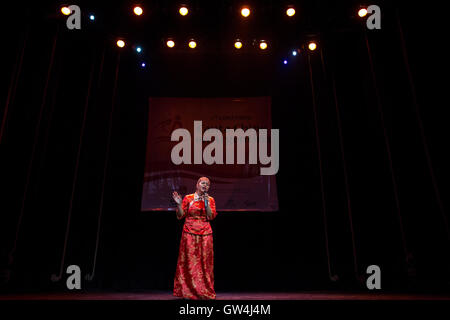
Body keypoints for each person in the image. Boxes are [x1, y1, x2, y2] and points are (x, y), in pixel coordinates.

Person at [172, 177, 218, 299]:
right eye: (203, 183)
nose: (205, 185)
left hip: (205, 233)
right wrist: (179, 204)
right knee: (190, 262)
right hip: (189, 232)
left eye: (208, 184)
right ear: (197, 184)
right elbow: (180, 215)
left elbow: (211, 216)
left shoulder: (211, 199)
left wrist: (206, 203)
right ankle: (187, 290)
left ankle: (204, 290)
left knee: (205, 263)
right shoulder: (188, 198)